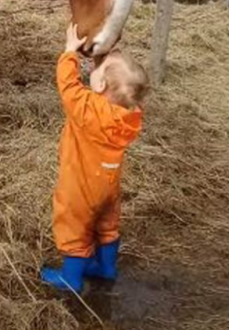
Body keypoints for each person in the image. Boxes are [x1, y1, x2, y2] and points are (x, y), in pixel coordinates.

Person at [40, 23, 149, 293]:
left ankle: (71, 278)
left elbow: (68, 86)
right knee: (107, 223)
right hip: (108, 186)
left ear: (99, 84)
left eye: (98, 67)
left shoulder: (88, 111)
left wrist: (69, 52)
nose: (94, 67)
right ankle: (106, 267)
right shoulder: (130, 117)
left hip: (80, 187)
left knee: (73, 223)